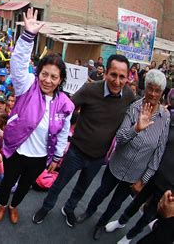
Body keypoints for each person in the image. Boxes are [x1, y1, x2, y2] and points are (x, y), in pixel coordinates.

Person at [33, 53, 136, 228]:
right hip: (76, 152)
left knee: (81, 189)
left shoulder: (128, 96)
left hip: (99, 157)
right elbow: (68, 109)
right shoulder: (90, 90)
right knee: (59, 184)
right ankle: (46, 207)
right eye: (113, 75)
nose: (117, 81)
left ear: (127, 78)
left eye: (122, 77)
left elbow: (138, 112)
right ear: (105, 73)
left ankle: (69, 208)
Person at [0, 8, 74, 225]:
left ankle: (13, 206)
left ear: (60, 80)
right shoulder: (27, 85)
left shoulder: (66, 104)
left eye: (54, 77)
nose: (48, 80)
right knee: (8, 181)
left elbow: (64, 132)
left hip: (40, 156)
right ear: (38, 74)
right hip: (16, 150)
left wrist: (57, 157)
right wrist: (28, 35)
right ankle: (2, 204)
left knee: (25, 186)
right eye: (44, 74)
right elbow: (18, 64)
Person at [78, 69, 170, 240]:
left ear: (162, 93)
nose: (153, 93)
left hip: (135, 174)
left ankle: (100, 224)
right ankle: (88, 212)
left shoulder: (165, 118)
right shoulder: (134, 108)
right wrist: (136, 128)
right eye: (150, 88)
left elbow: (159, 152)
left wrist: (144, 179)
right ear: (145, 87)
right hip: (116, 165)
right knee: (101, 192)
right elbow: (120, 138)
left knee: (116, 203)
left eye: (157, 90)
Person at [105, 109, 174, 243]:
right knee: (136, 202)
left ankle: (129, 236)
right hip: (153, 174)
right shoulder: (171, 121)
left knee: (148, 215)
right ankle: (121, 221)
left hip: (169, 189)